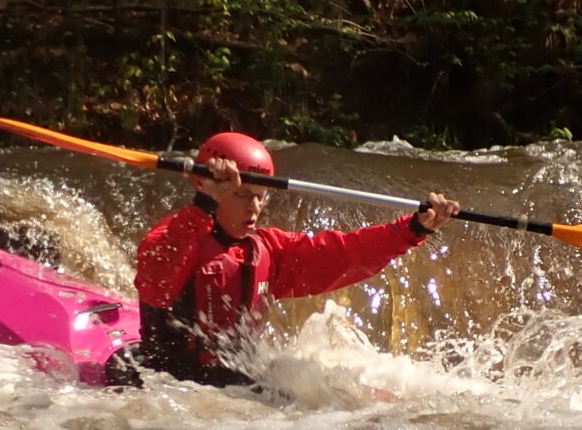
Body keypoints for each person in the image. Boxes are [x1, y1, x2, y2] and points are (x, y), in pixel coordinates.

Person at [127, 131, 459, 387]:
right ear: (206, 186)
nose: (253, 207)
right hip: (163, 381)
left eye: (260, 196)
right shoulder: (180, 234)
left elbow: (344, 254)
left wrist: (413, 229)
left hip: (228, 383)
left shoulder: (269, 250)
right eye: (241, 194)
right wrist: (204, 204)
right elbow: (155, 282)